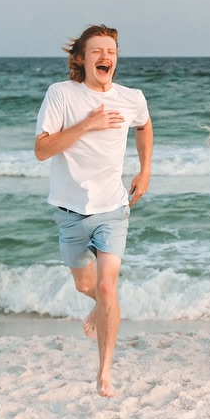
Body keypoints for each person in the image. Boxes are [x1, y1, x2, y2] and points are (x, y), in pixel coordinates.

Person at [34, 24, 153, 398]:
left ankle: (104, 372)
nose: (106, 57)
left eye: (112, 51)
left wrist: (145, 169)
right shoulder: (61, 95)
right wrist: (88, 124)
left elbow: (144, 125)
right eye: (97, 51)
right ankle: (105, 307)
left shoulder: (130, 97)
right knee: (86, 286)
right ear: (82, 59)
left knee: (106, 285)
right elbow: (42, 149)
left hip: (113, 207)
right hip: (70, 211)